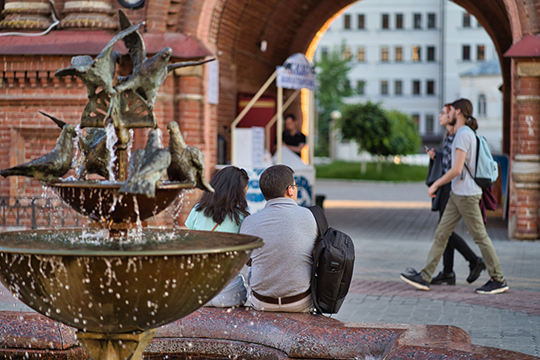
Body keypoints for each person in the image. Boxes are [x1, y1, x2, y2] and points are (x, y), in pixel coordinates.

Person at [400, 98, 509, 295]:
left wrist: (435, 184)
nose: (447, 113)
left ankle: (498, 278)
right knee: (442, 233)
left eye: (449, 111)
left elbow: (457, 169)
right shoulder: (465, 133)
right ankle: (425, 276)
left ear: (458, 112)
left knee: (480, 237)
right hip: (458, 194)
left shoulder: (462, 135)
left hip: (467, 195)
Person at [240, 164, 317, 312]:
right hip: (299, 301)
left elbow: (247, 261)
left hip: (262, 302)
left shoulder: (249, 221)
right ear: (290, 190)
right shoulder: (308, 216)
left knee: (254, 266)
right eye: (295, 186)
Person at [425, 104, 486, 285]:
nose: (440, 116)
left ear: (454, 114)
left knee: (445, 230)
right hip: (446, 185)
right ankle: (448, 272)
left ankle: (474, 260)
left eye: (444, 113)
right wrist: (437, 155)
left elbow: (456, 164)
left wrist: (436, 184)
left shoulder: (456, 133)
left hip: (450, 186)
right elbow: (449, 158)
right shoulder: (449, 135)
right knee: (444, 230)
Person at [185, 166, 250, 307]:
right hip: (228, 293)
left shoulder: (196, 211)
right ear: (238, 193)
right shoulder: (243, 218)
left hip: (197, 292)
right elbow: (247, 259)